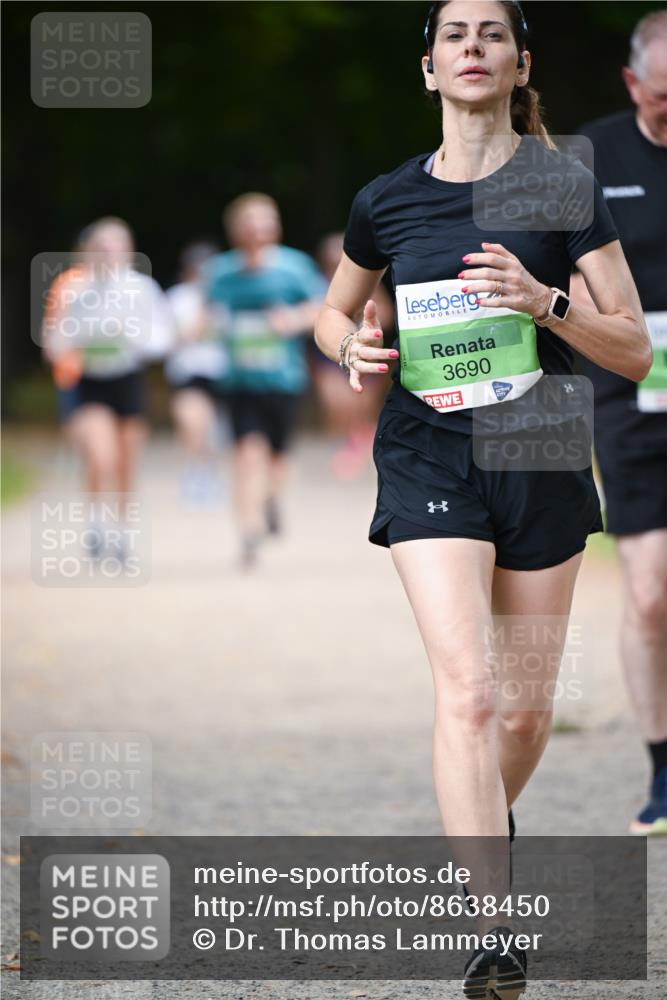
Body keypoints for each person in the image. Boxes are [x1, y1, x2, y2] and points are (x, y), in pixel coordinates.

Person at [314, 2, 651, 996]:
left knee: (525, 710)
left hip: (539, 440)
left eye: (490, 34)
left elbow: (633, 344)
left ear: (517, 63)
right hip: (427, 449)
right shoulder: (387, 200)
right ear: (428, 70)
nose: (471, 46)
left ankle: (469, 841)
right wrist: (349, 346)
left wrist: (542, 301)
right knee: (466, 690)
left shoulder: (562, 188)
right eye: (453, 34)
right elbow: (332, 308)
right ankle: (490, 927)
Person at [570, 10, 667, 836]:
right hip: (631, 400)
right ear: (634, 84)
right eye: (665, 97)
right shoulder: (590, 156)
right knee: (647, 592)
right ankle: (662, 769)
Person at [204, 193, 325, 568]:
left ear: (275, 226)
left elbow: (323, 308)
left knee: (278, 459)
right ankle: (249, 530)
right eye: (249, 221)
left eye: (264, 219)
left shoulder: (295, 267)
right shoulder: (220, 272)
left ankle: (270, 499)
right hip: (239, 381)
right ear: (234, 230)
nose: (256, 227)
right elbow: (206, 316)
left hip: (283, 379)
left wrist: (291, 319)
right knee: (245, 454)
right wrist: (210, 326)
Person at [43, 216, 173, 558]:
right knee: (101, 457)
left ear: (128, 250)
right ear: (88, 251)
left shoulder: (142, 289)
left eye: (116, 246)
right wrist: (84, 337)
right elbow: (53, 343)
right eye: (101, 247)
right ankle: (96, 523)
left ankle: (122, 531)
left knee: (126, 461)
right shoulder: (73, 289)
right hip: (90, 383)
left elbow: (162, 340)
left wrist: (129, 334)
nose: (108, 253)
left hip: (128, 382)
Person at [311, 233, 394, 480]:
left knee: (360, 405)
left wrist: (368, 326)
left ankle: (357, 444)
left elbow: (387, 316)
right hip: (328, 355)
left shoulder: (370, 286)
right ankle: (345, 444)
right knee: (334, 401)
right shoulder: (315, 284)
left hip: (367, 354)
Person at [165, 241, 228, 504]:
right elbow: (171, 336)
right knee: (193, 423)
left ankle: (209, 472)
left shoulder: (226, 296)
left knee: (215, 429)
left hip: (221, 371)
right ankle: (195, 471)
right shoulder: (178, 298)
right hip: (188, 370)